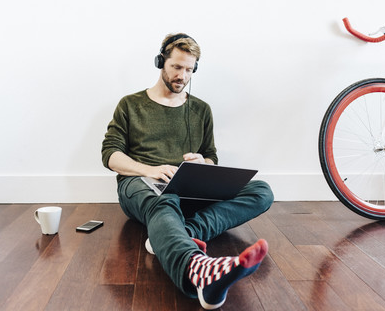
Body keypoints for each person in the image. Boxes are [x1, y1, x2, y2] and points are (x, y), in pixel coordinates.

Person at [101, 33, 273, 310]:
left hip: (189, 187)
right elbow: (110, 155)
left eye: (189, 70)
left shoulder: (201, 110)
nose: (183, 75)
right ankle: (197, 270)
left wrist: (203, 164)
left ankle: (177, 232)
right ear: (161, 62)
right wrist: (151, 170)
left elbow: (212, 156)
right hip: (141, 184)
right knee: (165, 198)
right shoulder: (130, 105)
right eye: (177, 67)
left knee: (262, 191)